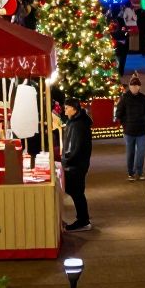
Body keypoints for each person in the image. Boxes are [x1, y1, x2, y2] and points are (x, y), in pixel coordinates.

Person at [62, 98, 93, 231]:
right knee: (75, 191)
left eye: (67, 108)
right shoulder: (75, 122)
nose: (65, 110)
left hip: (76, 165)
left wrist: (66, 160)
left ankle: (83, 220)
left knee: (76, 192)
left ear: (74, 109)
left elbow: (76, 147)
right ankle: (83, 218)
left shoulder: (77, 125)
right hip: (77, 164)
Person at [115, 75, 145, 181]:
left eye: (136, 86)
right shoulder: (125, 98)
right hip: (129, 132)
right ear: (129, 86)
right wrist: (125, 124)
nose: (134, 87)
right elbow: (119, 113)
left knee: (141, 153)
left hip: (141, 131)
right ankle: (130, 172)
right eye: (132, 86)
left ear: (139, 87)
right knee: (130, 152)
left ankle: (140, 171)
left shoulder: (143, 98)